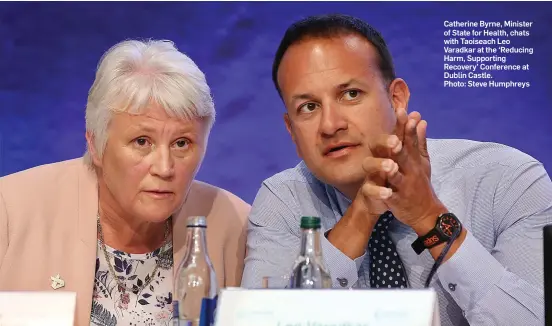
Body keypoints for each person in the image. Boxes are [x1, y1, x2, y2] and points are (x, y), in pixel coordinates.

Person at [241, 13, 551, 326]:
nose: (331, 125)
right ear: (292, 131)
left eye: (351, 94)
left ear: (396, 98)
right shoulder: (283, 202)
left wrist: (428, 216)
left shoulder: (507, 180)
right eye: (308, 107)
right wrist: (362, 213)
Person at [0, 39, 250, 326]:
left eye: (182, 143)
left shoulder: (235, 226)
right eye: (142, 141)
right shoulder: (10, 211)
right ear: (96, 145)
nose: (165, 168)